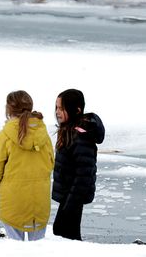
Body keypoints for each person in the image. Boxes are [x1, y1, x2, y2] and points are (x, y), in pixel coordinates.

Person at [0, 90, 54, 241]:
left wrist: (3, 184)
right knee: (37, 247)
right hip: (39, 202)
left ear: (8, 109)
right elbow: (50, 164)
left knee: (15, 248)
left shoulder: (4, 136)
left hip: (13, 202)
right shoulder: (43, 135)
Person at [52, 89, 104, 241]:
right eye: (56, 107)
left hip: (73, 198)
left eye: (61, 108)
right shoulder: (69, 131)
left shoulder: (81, 136)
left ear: (77, 110)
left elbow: (84, 174)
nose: (57, 112)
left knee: (67, 235)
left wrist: (71, 204)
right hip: (68, 196)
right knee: (62, 232)